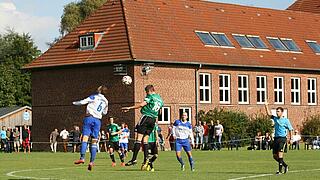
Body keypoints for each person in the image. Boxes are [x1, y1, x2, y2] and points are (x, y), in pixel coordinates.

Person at [122, 84, 164, 170]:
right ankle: (146, 160)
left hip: (146, 117)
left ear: (149, 91)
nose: (146, 94)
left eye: (146, 92)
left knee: (138, 139)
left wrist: (130, 108)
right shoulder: (160, 99)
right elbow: (160, 112)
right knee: (145, 140)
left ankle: (134, 159)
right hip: (153, 120)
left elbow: (142, 104)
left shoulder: (150, 96)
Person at [73, 85, 108, 171]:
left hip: (89, 118)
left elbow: (83, 102)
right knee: (94, 142)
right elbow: (105, 112)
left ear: (99, 90)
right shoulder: (106, 101)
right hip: (98, 121)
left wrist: (73, 103)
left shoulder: (94, 96)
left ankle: (82, 158)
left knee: (85, 138)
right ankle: (91, 162)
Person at [265, 102, 293, 174]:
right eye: (276, 111)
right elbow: (268, 114)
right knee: (275, 156)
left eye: (278, 111)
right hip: (276, 139)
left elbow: (290, 129)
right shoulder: (275, 118)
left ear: (282, 112)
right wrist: (266, 105)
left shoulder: (286, 120)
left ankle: (280, 171)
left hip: (282, 139)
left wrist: (291, 138)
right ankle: (285, 165)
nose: (277, 113)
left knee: (280, 154)